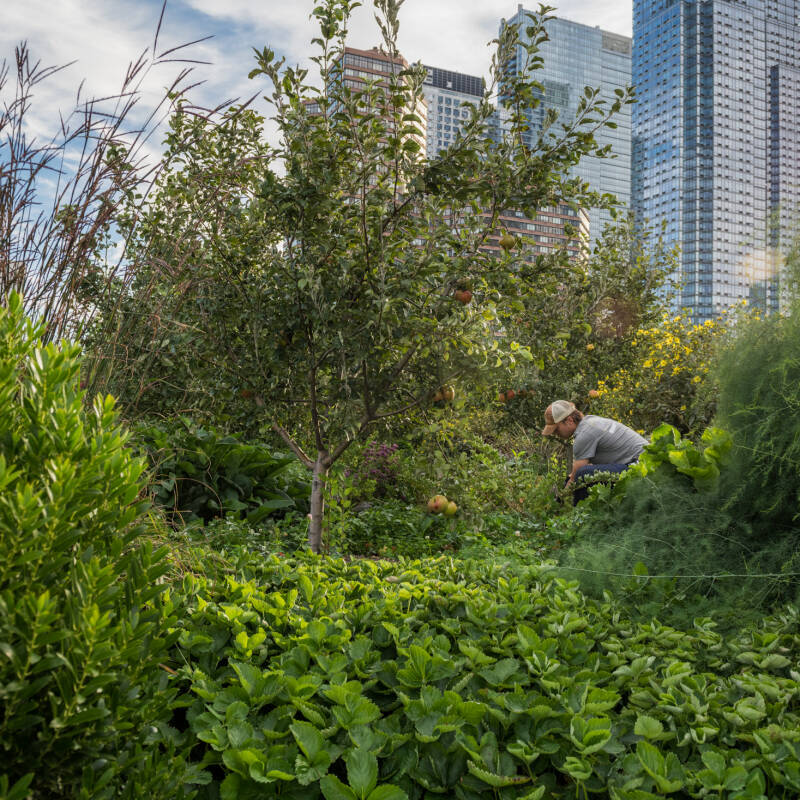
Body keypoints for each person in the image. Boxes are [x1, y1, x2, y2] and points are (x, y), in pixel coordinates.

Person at [541, 400, 648, 504]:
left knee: (582, 475)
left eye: (556, 429)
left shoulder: (584, 435)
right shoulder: (590, 421)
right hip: (640, 461)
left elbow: (574, 479)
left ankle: (580, 517)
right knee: (578, 475)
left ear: (569, 420)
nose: (555, 433)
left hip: (641, 467)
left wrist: (560, 499)